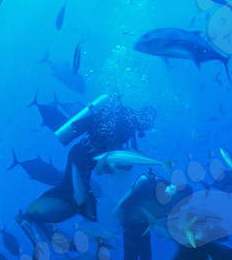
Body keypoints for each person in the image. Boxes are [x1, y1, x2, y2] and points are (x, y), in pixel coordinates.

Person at [16, 95, 157, 248]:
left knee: (74, 195)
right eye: (149, 122)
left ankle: (34, 217)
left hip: (82, 157)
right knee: (77, 196)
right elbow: (110, 143)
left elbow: (117, 153)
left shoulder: (129, 125)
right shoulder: (126, 118)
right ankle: (29, 216)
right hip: (81, 157)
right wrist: (113, 162)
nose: (148, 126)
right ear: (146, 117)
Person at [105, 169, 192, 260]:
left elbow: (165, 223)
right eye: (184, 201)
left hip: (142, 224)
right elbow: (125, 208)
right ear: (181, 195)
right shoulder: (164, 193)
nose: (182, 205)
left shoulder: (170, 200)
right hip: (132, 223)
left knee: (142, 259)